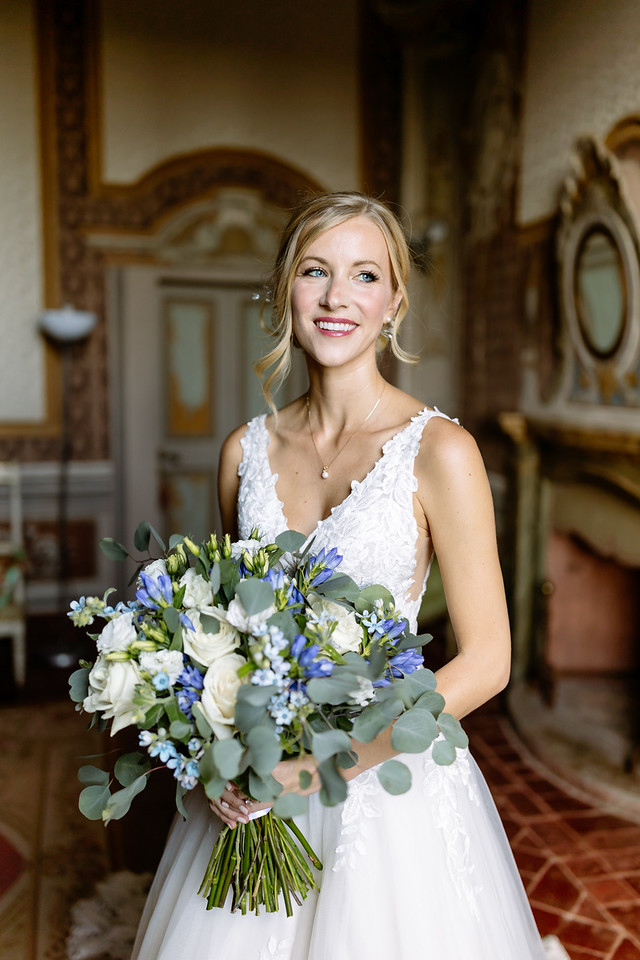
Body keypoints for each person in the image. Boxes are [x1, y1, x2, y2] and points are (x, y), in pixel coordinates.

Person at [131, 192, 548, 959]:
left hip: (389, 787)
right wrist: (216, 750)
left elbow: (489, 661)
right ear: (285, 288)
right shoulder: (242, 451)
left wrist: (320, 764)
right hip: (256, 781)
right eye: (315, 271)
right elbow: (231, 627)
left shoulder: (441, 452)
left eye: (363, 276)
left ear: (394, 302)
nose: (335, 298)